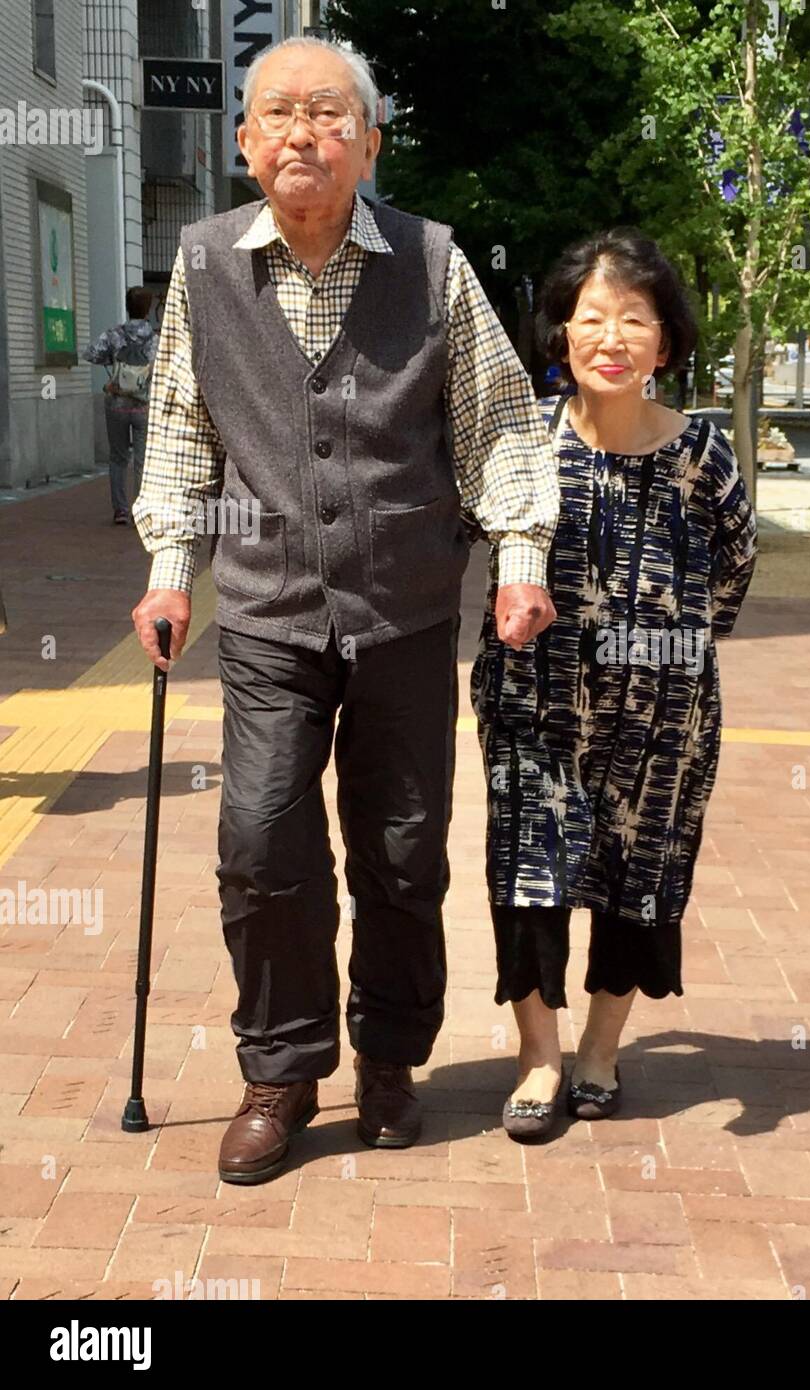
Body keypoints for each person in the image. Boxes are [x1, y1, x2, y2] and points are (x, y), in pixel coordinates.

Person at [128, 35, 559, 1184]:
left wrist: (519, 555)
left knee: (404, 853)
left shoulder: (431, 260)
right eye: (276, 114)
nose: (300, 133)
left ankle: (388, 1059)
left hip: (406, 611)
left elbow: (500, 421)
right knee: (263, 842)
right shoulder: (207, 263)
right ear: (243, 142)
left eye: (327, 114)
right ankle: (281, 1068)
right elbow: (179, 428)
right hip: (269, 616)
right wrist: (173, 566)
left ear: (369, 141)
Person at [472, 228, 758, 1141]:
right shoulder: (525, 447)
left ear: (665, 343)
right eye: (591, 318)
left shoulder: (703, 456)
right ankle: (537, 1057)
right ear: (560, 335)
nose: (611, 337)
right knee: (529, 873)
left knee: (642, 877)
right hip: (534, 708)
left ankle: (600, 1048)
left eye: (635, 320)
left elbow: (732, 575)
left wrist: (659, 651)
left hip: (664, 719)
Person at [82, 287, 156, 523]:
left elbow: (90, 353)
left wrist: (111, 363)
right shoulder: (156, 339)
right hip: (144, 406)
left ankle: (120, 510)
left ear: (127, 306)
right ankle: (141, 511)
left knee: (118, 457)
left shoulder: (114, 335)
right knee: (143, 460)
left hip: (116, 403)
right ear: (148, 310)